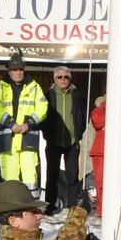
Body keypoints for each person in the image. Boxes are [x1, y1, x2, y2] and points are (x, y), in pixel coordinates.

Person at [0, 53, 47, 194]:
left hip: (27, 136)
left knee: (30, 173)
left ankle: (31, 207)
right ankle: (11, 206)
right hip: (7, 137)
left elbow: (42, 108)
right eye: (15, 70)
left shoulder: (34, 87)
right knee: (9, 174)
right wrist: (12, 124)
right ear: (9, 72)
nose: (18, 72)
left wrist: (28, 124)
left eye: (20, 69)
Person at [41, 67, 88, 216]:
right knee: (52, 175)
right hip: (53, 141)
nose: (63, 79)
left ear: (70, 79)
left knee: (72, 176)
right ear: (54, 79)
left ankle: (72, 207)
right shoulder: (48, 96)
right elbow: (41, 115)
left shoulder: (78, 95)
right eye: (59, 77)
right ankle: (49, 205)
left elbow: (84, 116)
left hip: (72, 142)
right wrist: (46, 132)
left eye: (65, 77)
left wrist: (79, 132)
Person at [88, 95, 108, 215]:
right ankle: (100, 210)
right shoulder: (98, 110)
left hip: (119, 149)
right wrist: (112, 111)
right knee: (100, 182)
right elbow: (98, 122)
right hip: (100, 151)